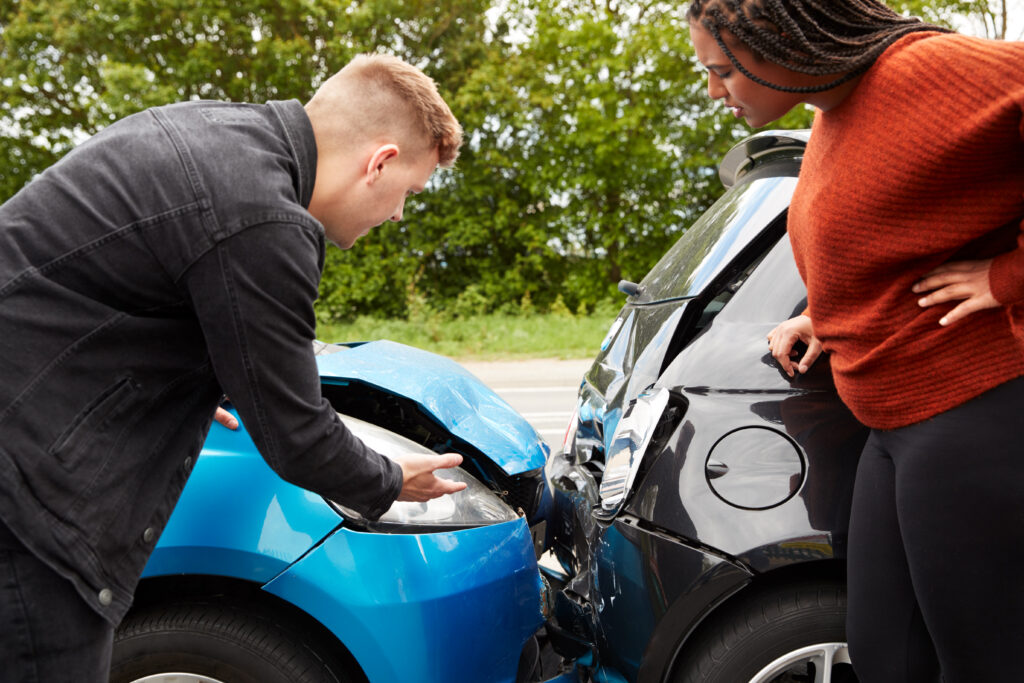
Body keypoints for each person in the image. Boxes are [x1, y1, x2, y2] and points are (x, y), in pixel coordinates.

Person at [0, 53, 467, 680]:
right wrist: (389, 481)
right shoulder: (263, 219)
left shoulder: (218, 136)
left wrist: (193, 375)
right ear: (378, 162)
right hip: (27, 498)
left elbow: (114, 283)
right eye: (407, 192)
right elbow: (298, 437)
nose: (398, 215)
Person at [687, 1, 1024, 681]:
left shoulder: (931, 71)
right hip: (892, 425)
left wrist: (1006, 275)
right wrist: (828, 313)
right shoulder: (829, 106)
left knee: (985, 662)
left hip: (972, 410)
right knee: (886, 655)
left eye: (723, 70)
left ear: (781, 43)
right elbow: (896, 228)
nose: (714, 91)